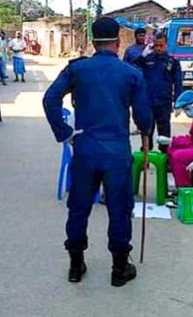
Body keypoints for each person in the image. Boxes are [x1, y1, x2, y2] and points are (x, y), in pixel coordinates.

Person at [42, 17, 152, 287]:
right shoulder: (131, 73)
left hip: (85, 150)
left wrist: (64, 133)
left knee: (78, 207)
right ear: (117, 42)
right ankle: (119, 268)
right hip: (117, 152)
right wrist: (147, 134)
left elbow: (50, 98)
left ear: (92, 42)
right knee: (119, 208)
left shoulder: (77, 69)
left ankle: (76, 265)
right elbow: (143, 116)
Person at [135, 32, 183, 153]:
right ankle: (145, 156)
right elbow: (133, 65)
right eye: (156, 45)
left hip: (164, 102)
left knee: (164, 131)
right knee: (147, 131)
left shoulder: (173, 62)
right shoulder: (147, 59)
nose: (158, 48)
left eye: (161, 45)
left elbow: (178, 83)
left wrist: (178, 102)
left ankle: (165, 157)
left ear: (166, 45)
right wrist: (142, 55)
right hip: (149, 101)